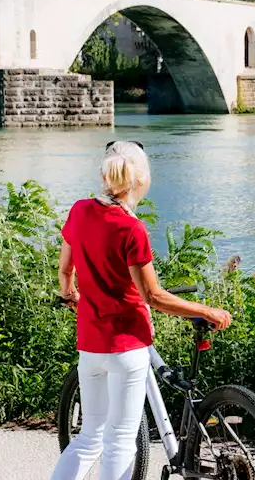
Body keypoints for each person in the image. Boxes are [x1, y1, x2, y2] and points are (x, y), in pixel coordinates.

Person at [51, 142, 231, 480]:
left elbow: (65, 271)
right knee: (120, 440)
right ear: (141, 181)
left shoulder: (79, 211)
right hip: (127, 345)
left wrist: (71, 294)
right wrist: (205, 310)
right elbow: (153, 296)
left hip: (90, 345)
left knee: (90, 437)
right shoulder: (131, 229)